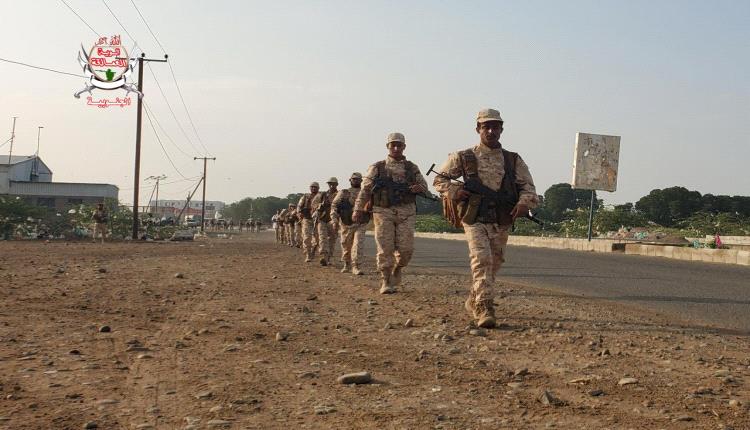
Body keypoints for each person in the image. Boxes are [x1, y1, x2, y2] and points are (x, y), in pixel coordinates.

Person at [433, 108, 538, 328]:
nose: (490, 131)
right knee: (482, 260)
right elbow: (439, 181)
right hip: (475, 217)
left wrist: (523, 203)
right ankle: (484, 307)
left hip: (501, 217)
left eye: (495, 127)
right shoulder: (463, 156)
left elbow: (528, 186)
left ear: (501, 129)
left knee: (495, 262)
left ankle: (474, 298)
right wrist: (454, 192)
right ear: (478, 129)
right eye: (485, 127)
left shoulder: (512, 159)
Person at [353, 132, 428, 294]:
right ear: (387, 147)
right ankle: (386, 280)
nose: (396, 148)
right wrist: (358, 209)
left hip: (406, 212)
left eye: (399, 145)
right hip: (383, 211)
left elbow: (424, 186)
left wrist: (419, 188)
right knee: (385, 248)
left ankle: (398, 267)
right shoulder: (377, 167)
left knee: (406, 250)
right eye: (392, 145)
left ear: (404, 147)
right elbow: (365, 189)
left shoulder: (411, 167)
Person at [332, 172, 368, 275]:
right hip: (346, 223)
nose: (356, 181)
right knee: (346, 245)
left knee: (358, 244)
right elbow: (334, 206)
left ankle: (356, 266)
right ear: (350, 180)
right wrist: (334, 220)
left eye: (358, 179)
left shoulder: (365, 193)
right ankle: (346, 264)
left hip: (361, 223)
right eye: (354, 179)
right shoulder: (344, 192)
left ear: (361, 181)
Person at [311, 177, 339, 266]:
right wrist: (320, 205)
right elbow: (313, 205)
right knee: (322, 238)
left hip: (334, 220)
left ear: (336, 185)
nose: (331, 185)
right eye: (330, 183)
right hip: (322, 219)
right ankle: (323, 256)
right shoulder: (322, 195)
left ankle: (329, 257)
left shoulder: (340, 194)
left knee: (332, 240)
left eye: (333, 184)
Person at [298, 183, 320, 261]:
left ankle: (313, 251)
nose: (313, 188)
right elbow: (299, 206)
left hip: (317, 220)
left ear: (318, 188)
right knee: (307, 238)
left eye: (315, 187)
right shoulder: (305, 196)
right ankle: (308, 254)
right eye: (312, 187)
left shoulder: (321, 197)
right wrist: (299, 214)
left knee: (317, 239)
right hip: (307, 219)